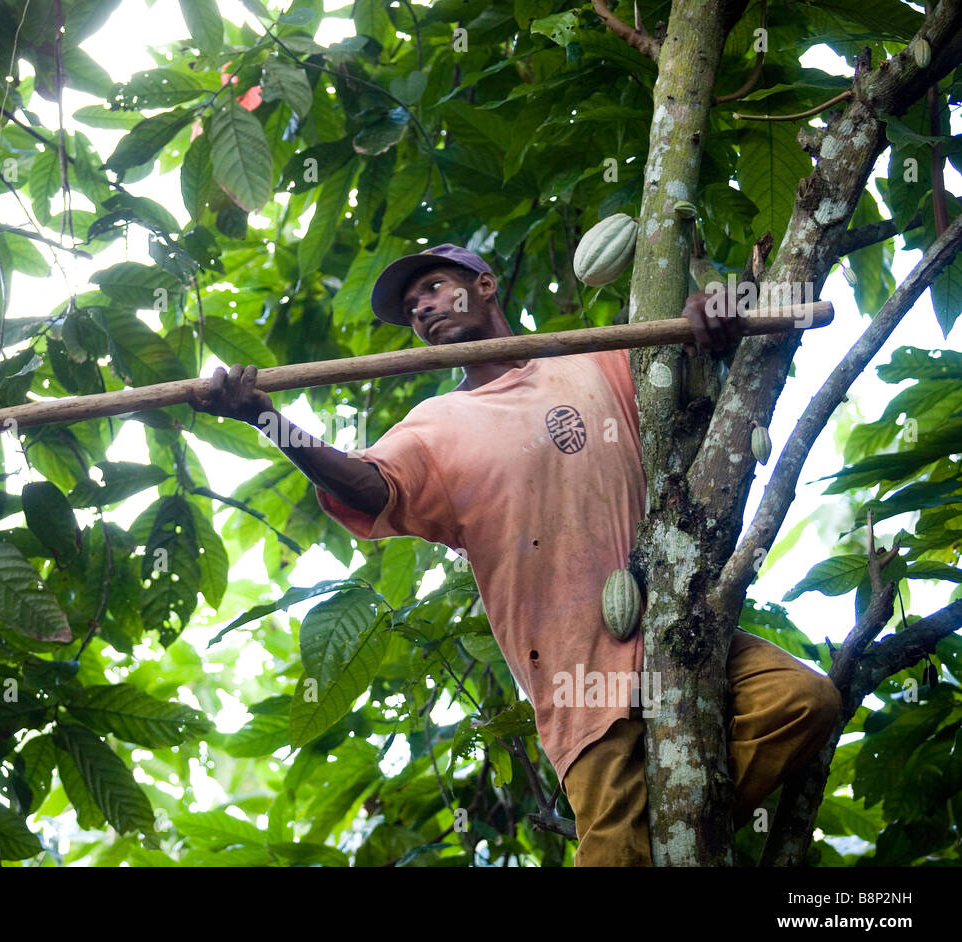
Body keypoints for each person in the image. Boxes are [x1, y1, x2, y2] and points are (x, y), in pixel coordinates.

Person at [187, 243, 842, 866]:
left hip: (676, 621)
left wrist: (711, 312)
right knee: (615, 850)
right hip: (575, 667)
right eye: (411, 304)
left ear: (485, 286)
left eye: (433, 287)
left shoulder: (598, 360)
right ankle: (667, 843)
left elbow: (689, 366)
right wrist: (265, 419)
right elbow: (367, 485)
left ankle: (683, 835)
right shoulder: (437, 425)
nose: (420, 307)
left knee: (801, 700)